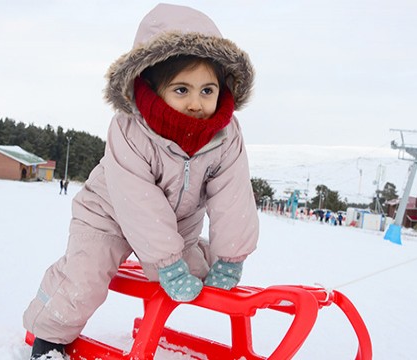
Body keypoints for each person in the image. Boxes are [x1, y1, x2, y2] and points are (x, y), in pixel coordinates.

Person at [23, 4, 258, 359]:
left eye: (207, 90)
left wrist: (230, 257)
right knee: (85, 278)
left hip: (176, 228)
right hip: (109, 216)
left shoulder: (225, 136)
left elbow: (233, 195)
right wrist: (167, 262)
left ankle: (198, 257)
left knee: (197, 275)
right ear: (151, 84)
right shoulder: (130, 130)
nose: (197, 103)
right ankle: (48, 335)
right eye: (182, 90)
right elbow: (137, 200)